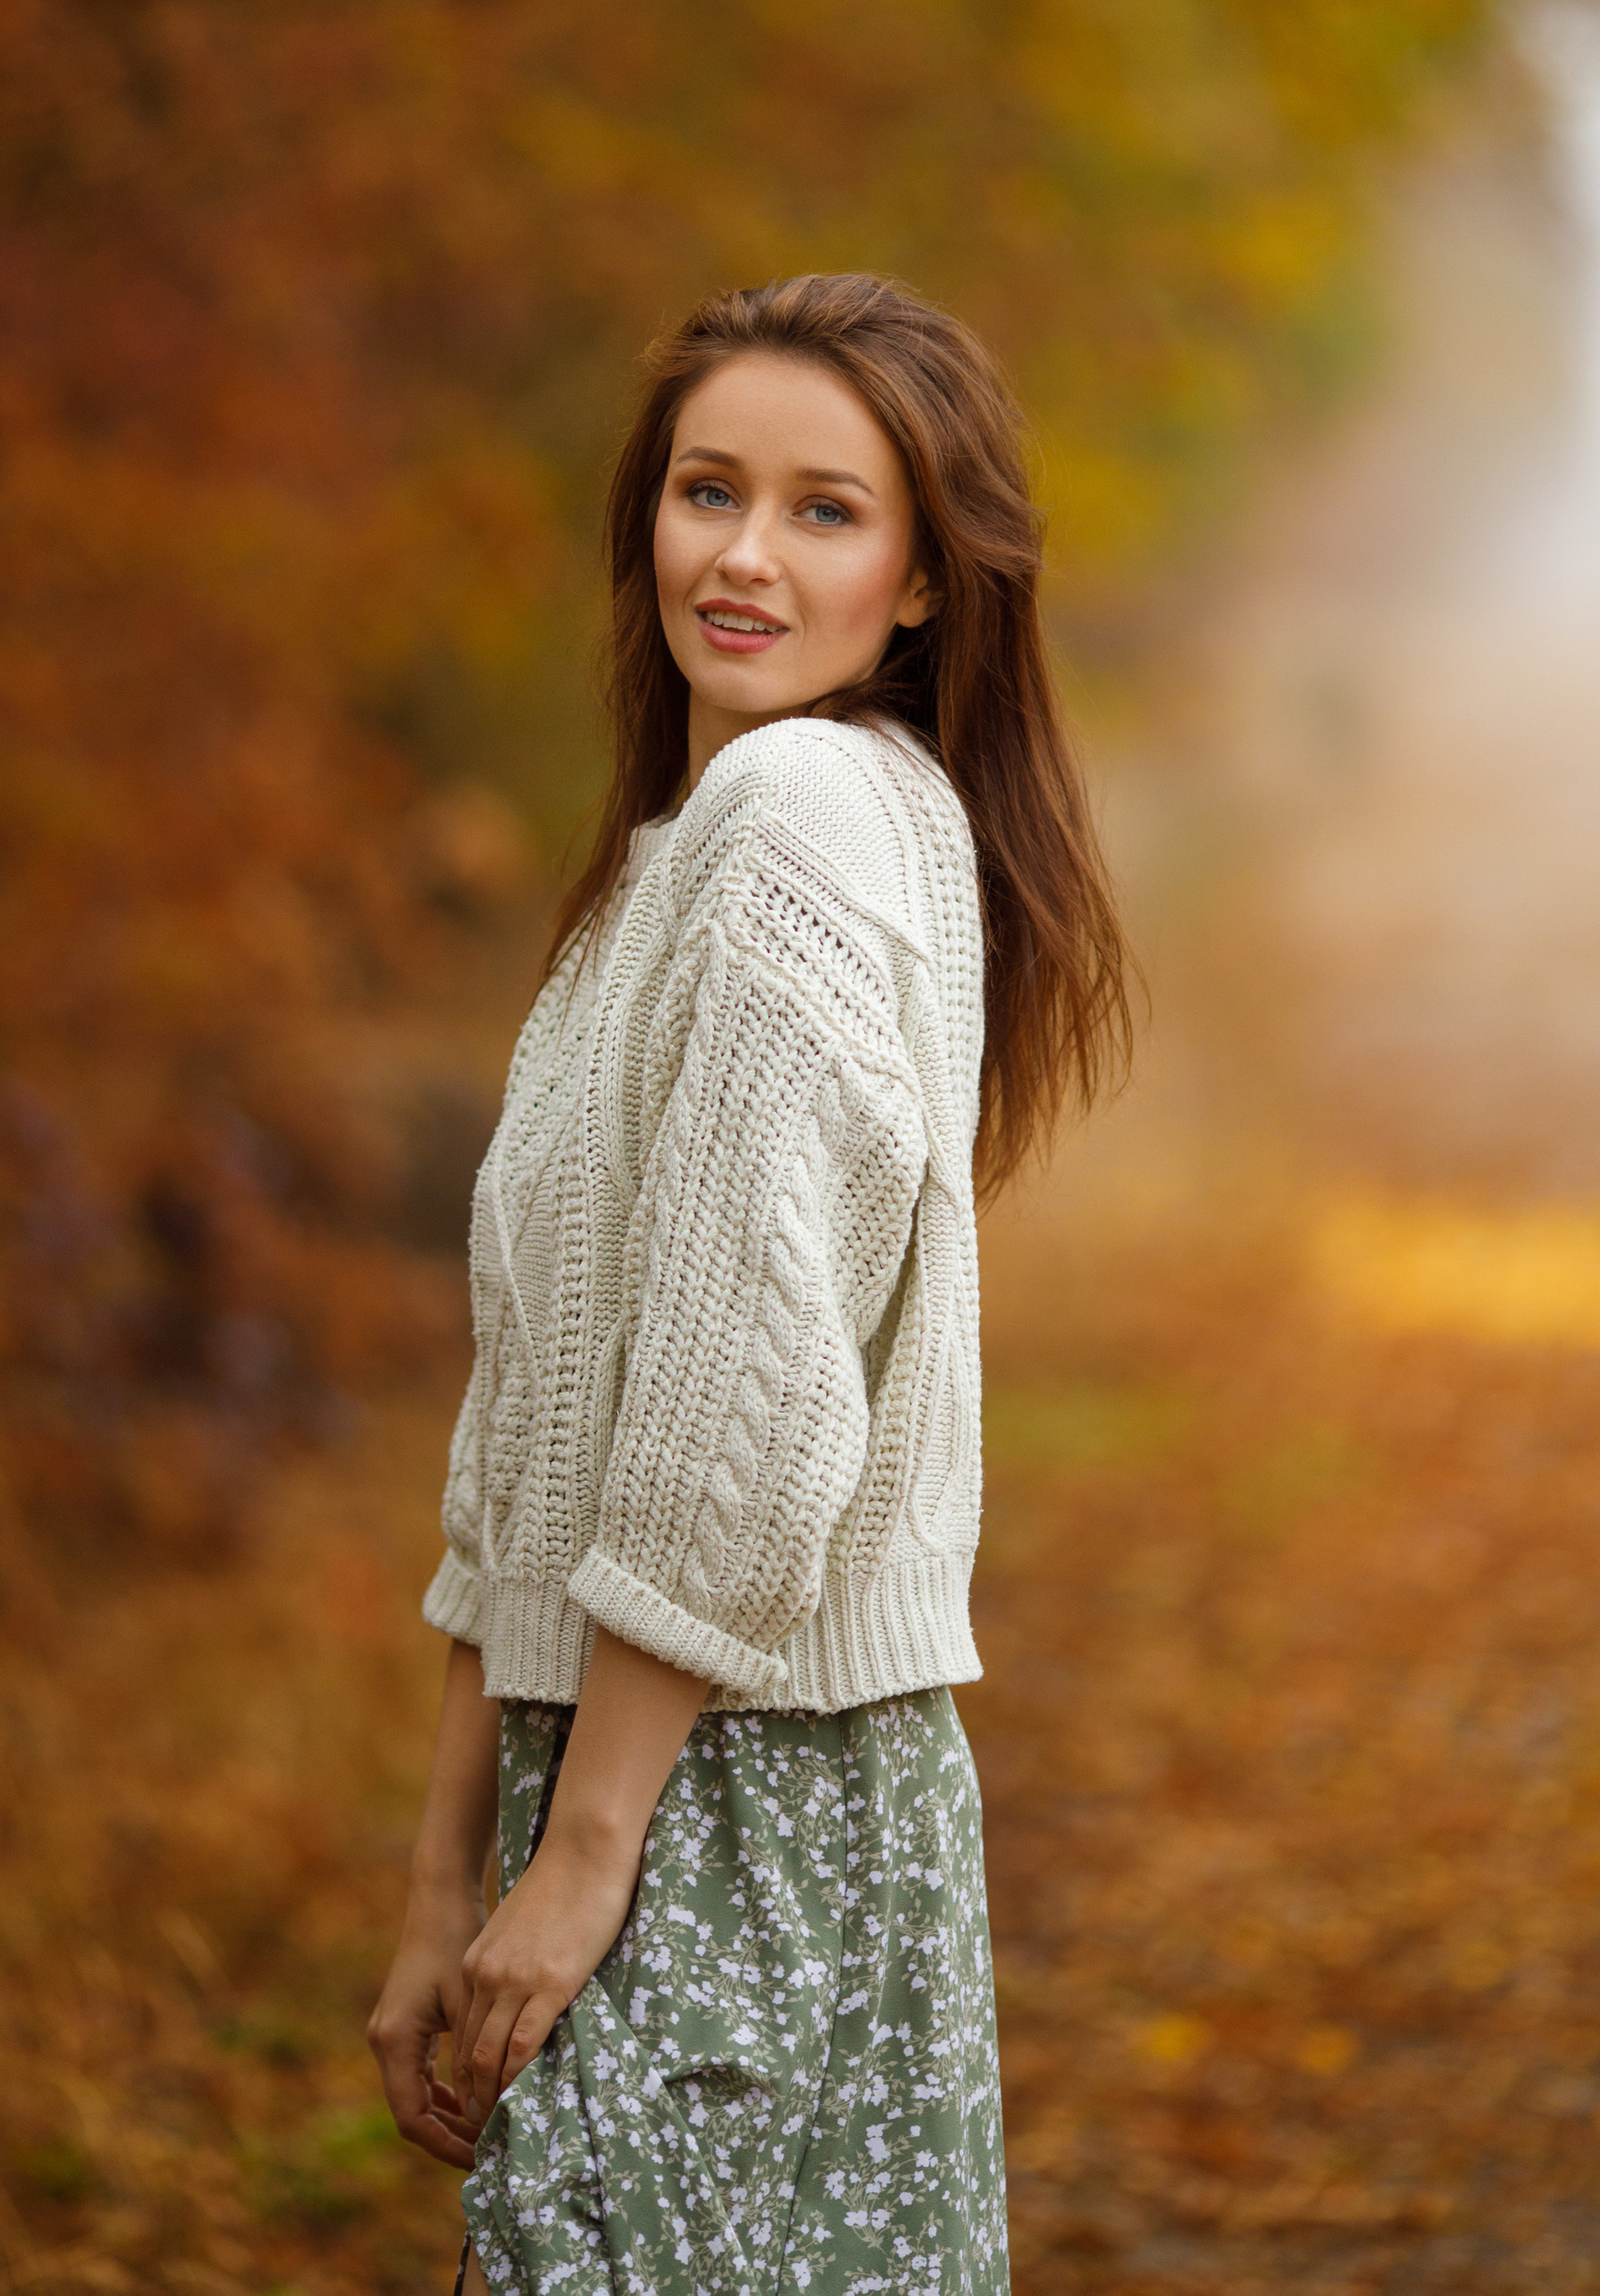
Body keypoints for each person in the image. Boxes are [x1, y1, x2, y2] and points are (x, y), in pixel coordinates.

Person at [369, 272, 1130, 2293]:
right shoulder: (667, 861)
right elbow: (534, 1422)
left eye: (823, 510)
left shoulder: (796, 820)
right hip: (650, 1761)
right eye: (709, 489)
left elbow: (751, 1402)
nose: (742, 554)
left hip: (731, 1793)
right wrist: (446, 1871)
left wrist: (585, 1854)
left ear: (919, 584)